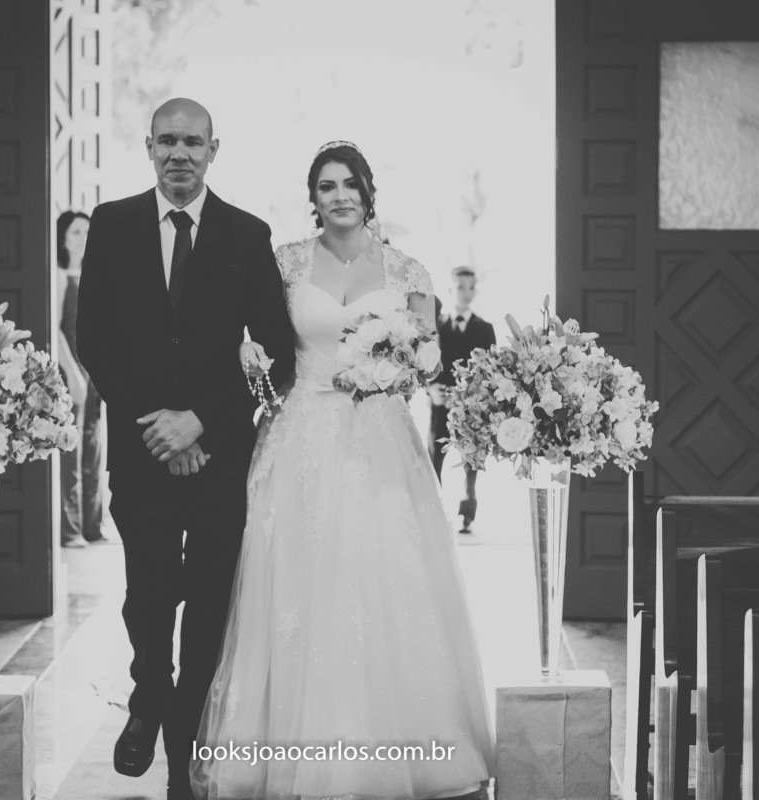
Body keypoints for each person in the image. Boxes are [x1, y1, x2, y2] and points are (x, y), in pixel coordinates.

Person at [191, 142, 493, 800]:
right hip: (299, 436)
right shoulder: (285, 262)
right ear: (314, 197)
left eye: (349, 184)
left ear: (368, 190)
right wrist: (248, 356)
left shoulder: (408, 269)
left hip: (380, 439)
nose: (339, 196)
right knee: (296, 583)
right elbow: (252, 332)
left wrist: (403, 362)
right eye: (326, 186)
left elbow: (430, 361)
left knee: (383, 573)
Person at [76, 98, 296, 800]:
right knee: (149, 599)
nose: (179, 153)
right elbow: (94, 339)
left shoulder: (247, 234)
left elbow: (277, 353)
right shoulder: (112, 224)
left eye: (192, 142)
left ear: (213, 150)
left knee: (205, 614)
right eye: (167, 140)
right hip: (142, 454)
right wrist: (157, 427)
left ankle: (183, 770)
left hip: (219, 459)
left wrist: (200, 422)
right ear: (148, 147)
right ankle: (148, 690)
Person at [429, 266, 496, 532]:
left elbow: (490, 371)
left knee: (472, 461)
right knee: (435, 458)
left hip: (471, 408)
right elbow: (425, 363)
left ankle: (467, 514)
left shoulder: (485, 329)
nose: (466, 292)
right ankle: (434, 511)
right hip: (440, 405)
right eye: (460, 286)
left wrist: (475, 398)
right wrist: (431, 389)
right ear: (450, 289)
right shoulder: (437, 326)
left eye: (471, 287)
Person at [54, 209, 106, 548]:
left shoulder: (96, 276)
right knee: (70, 448)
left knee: (93, 446)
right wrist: (72, 373)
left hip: (95, 372)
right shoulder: (59, 276)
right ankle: (70, 529)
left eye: (88, 232)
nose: (83, 238)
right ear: (62, 237)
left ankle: (93, 527)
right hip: (70, 371)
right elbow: (56, 329)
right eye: (76, 232)